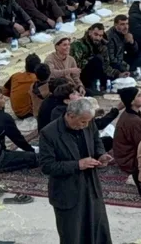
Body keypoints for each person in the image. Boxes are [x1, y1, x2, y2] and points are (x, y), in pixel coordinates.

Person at [38, 97, 114, 244]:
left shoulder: (88, 122)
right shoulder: (49, 133)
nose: (85, 125)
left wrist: (101, 155)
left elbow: (96, 140)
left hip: (91, 187)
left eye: (87, 122)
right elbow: (47, 166)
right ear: (71, 116)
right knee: (73, 234)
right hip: (67, 192)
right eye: (82, 122)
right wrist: (77, 165)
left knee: (98, 229)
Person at [71, 24, 131, 95]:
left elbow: (106, 66)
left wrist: (118, 74)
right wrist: (92, 58)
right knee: (97, 60)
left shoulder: (102, 46)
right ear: (90, 32)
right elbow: (76, 66)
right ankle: (92, 86)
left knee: (118, 68)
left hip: (98, 73)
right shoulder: (78, 45)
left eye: (100, 36)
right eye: (96, 34)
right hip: (82, 75)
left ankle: (101, 84)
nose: (98, 38)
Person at [112, 87, 141, 174]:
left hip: (127, 156)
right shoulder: (134, 121)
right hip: (128, 160)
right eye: (139, 96)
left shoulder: (133, 114)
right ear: (132, 101)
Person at [2, 54, 41, 120]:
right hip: (28, 113)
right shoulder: (36, 79)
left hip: (16, 111)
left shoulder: (15, 76)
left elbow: (4, 91)